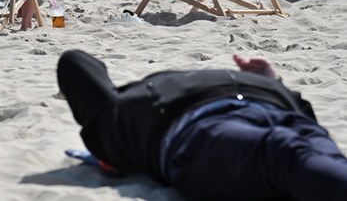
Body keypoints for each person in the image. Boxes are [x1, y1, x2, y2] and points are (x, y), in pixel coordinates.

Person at [58, 49, 347, 200]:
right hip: (198, 129)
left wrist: (272, 83)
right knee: (287, 153)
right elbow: (74, 63)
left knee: (312, 156)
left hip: (278, 108)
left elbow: (76, 62)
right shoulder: (116, 120)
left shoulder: (120, 108)